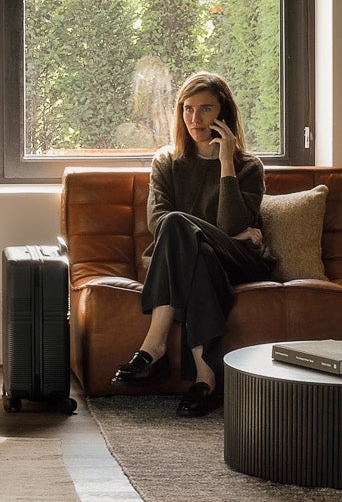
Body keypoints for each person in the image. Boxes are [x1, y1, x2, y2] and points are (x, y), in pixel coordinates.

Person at [110, 71, 272, 418]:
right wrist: (229, 232)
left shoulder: (248, 166)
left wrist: (225, 159)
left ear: (223, 113)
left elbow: (232, 224)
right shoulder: (167, 162)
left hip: (239, 260)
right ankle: (205, 379)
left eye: (205, 109)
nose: (195, 119)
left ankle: (153, 346)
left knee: (183, 229)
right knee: (195, 251)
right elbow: (158, 222)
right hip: (205, 258)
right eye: (187, 109)